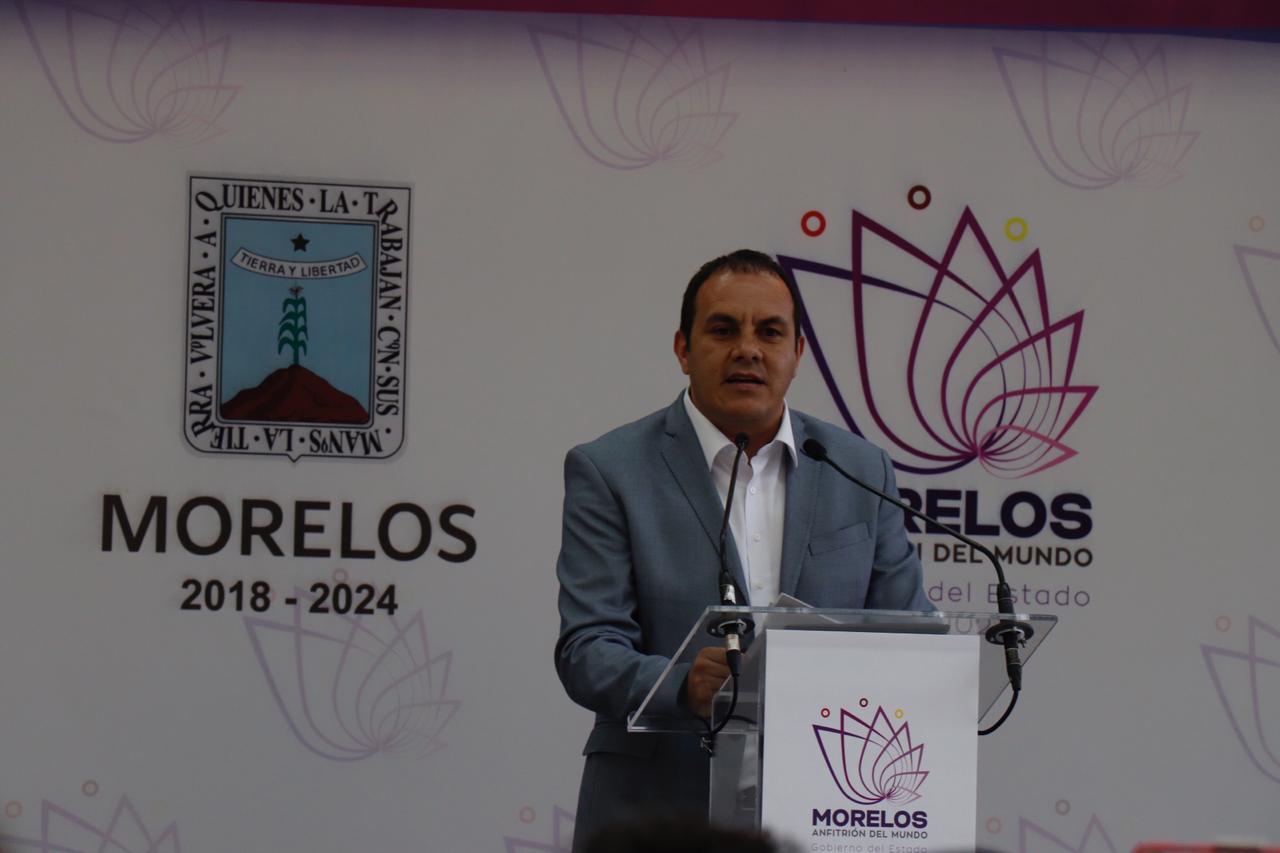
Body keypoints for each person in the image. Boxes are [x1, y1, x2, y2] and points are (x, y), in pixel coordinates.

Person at [554, 250, 932, 851]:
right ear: (683, 348)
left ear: (798, 353)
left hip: (827, 805)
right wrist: (682, 684)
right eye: (724, 329)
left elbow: (910, 635)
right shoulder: (611, 470)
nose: (748, 350)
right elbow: (588, 650)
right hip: (655, 811)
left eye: (770, 332)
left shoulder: (860, 469)